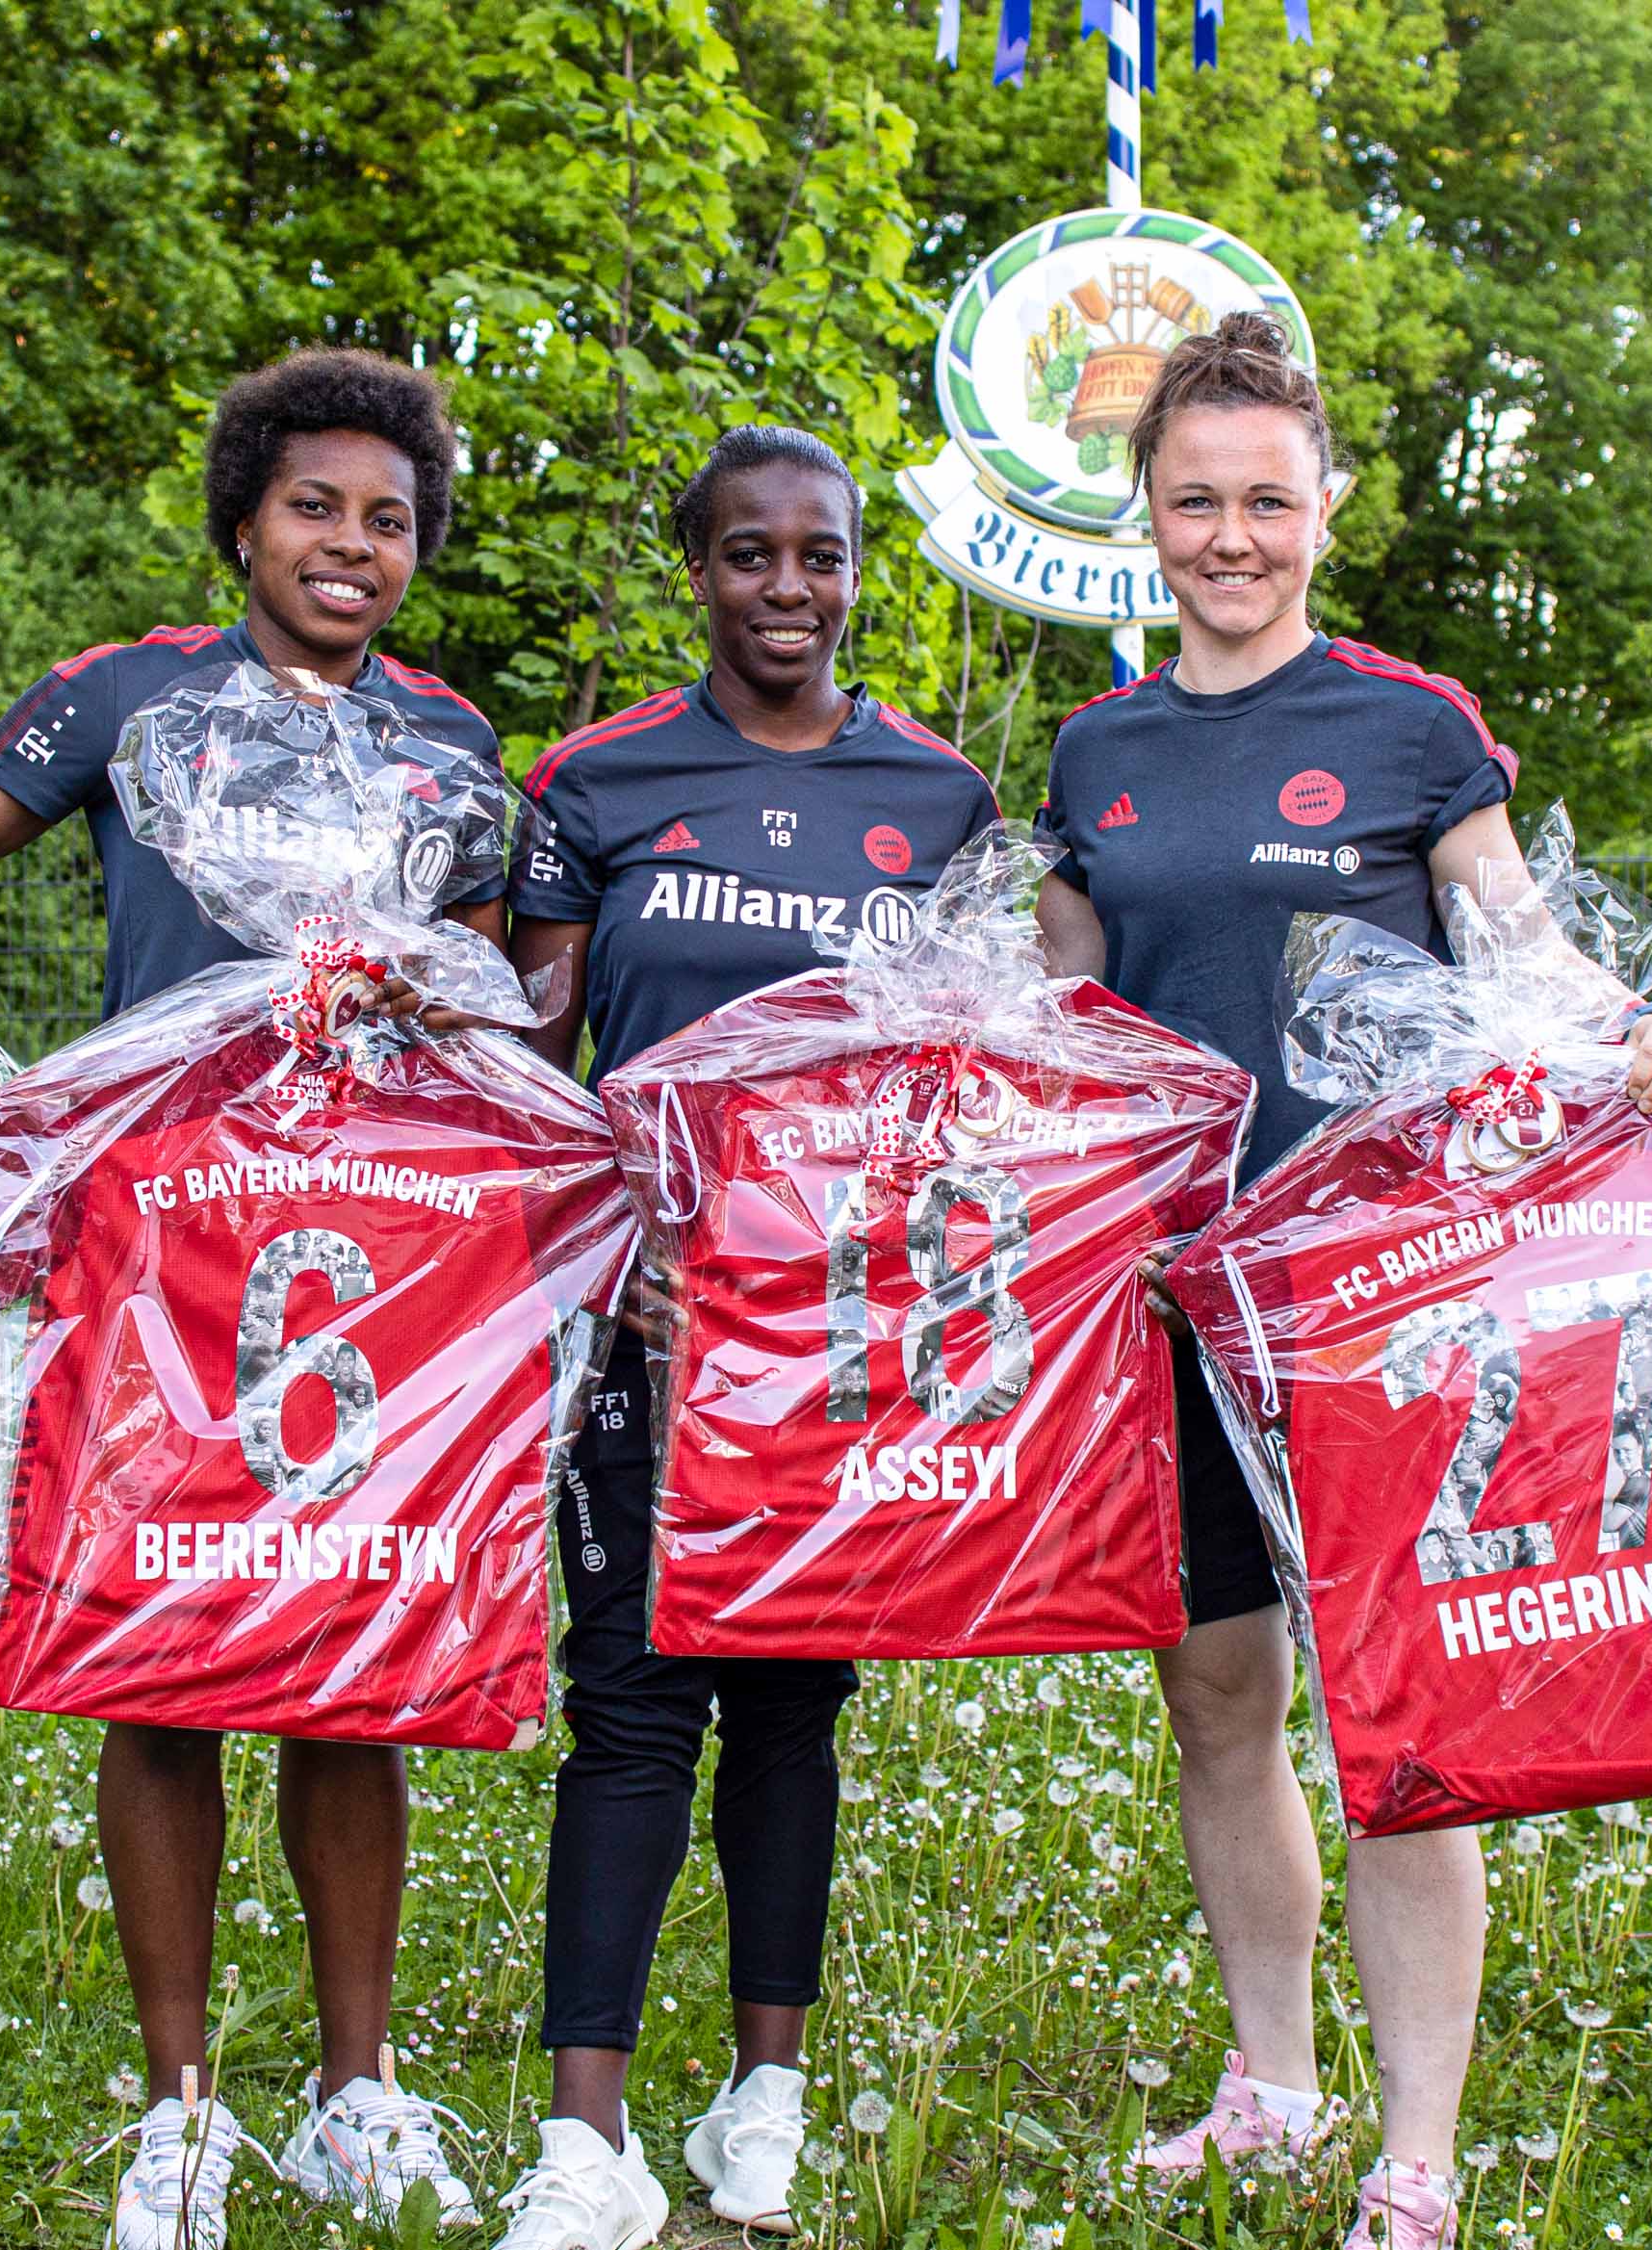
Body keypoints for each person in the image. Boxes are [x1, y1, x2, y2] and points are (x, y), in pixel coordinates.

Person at [0, 349, 510, 2246]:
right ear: (244, 515)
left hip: (369, 1254)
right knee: (160, 1669)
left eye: (388, 520)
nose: (351, 544)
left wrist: (439, 999)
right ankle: (182, 2106)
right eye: (315, 504)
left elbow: (507, 990)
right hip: (152, 1237)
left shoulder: (454, 746)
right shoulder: (134, 697)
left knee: (346, 1667)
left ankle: (354, 2093)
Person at [1030, 313, 1652, 2250]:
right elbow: (1073, 1010)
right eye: (1193, 500)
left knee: (1402, 1719)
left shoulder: (1411, 725)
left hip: (1384, 1295)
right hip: (1174, 1298)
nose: (1229, 534)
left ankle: (1413, 2161)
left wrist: (1631, 1024)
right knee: (1219, 1698)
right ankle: (1275, 2083)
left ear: (1325, 510)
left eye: (1265, 498)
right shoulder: (1097, 746)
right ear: (1143, 516)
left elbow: (1519, 946)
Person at [482, 427, 1001, 2250]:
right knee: (629, 1700)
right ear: (692, 566)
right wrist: (603, 1239)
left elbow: (975, 1078)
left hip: (844, 1345)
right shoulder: (598, 783)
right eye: (749, 556)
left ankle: (761, 2104)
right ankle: (583, 2136)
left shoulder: (936, 801)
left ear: (862, 571)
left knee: (795, 1706)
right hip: (648, 1325)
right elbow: (524, 1066)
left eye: (824, 558)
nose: (789, 589)